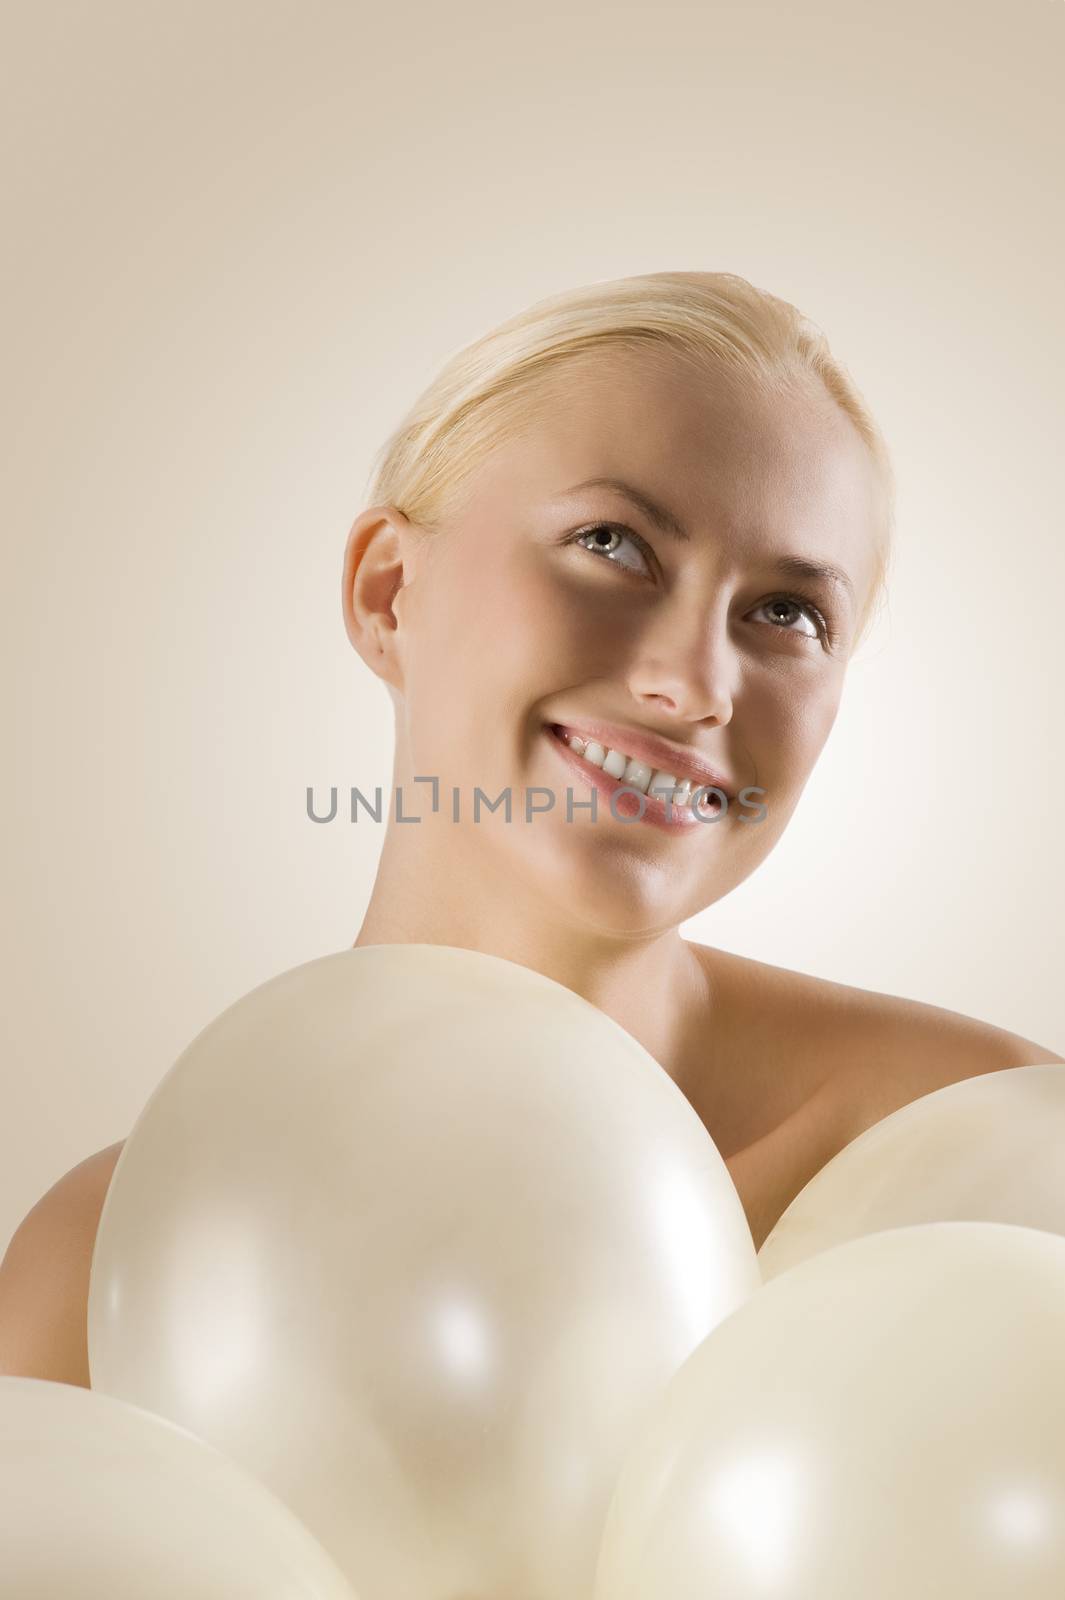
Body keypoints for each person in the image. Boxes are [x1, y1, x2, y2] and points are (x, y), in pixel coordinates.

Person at [2, 270, 1060, 1388]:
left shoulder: (976, 1157)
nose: (695, 683)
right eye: (614, 545)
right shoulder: (116, 1264)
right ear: (387, 593)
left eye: (787, 613)